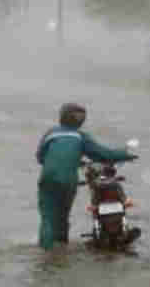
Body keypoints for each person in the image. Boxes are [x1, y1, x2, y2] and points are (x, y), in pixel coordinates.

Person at [35, 102, 136, 250]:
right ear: (81, 121)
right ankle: (61, 246)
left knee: (47, 217)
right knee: (62, 217)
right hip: (69, 180)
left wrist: (71, 161)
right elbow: (103, 154)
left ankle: (45, 251)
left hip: (48, 178)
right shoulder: (80, 137)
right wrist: (125, 155)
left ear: (61, 117)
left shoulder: (51, 133)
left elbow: (40, 157)